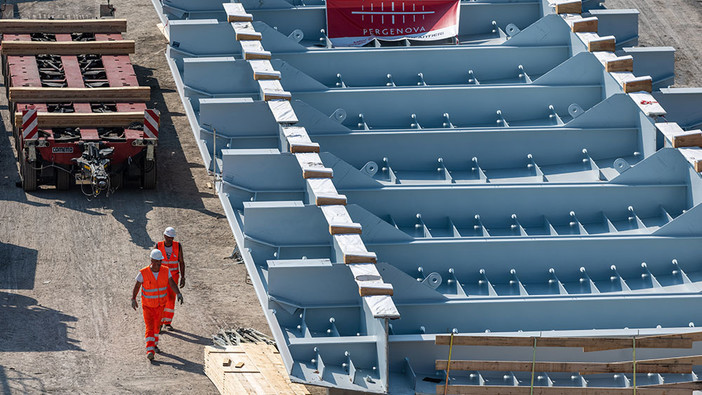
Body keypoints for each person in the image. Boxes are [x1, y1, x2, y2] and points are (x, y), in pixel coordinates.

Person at [131, 249, 183, 361]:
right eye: (157, 262)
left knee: (156, 328)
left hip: (160, 306)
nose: (159, 264)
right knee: (149, 327)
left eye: (160, 262)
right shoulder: (143, 273)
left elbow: (172, 283)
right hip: (148, 307)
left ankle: (154, 345)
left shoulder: (165, 271)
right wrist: (133, 298)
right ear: (152, 260)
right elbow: (137, 286)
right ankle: (150, 350)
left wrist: (178, 293)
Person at [155, 226, 185, 330]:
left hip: (174, 277)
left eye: (171, 238)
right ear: (164, 236)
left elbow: (181, 262)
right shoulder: (158, 246)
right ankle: (159, 323)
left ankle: (167, 322)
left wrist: (183, 277)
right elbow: (154, 261)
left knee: (171, 300)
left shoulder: (178, 246)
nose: (170, 239)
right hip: (161, 277)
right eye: (168, 237)